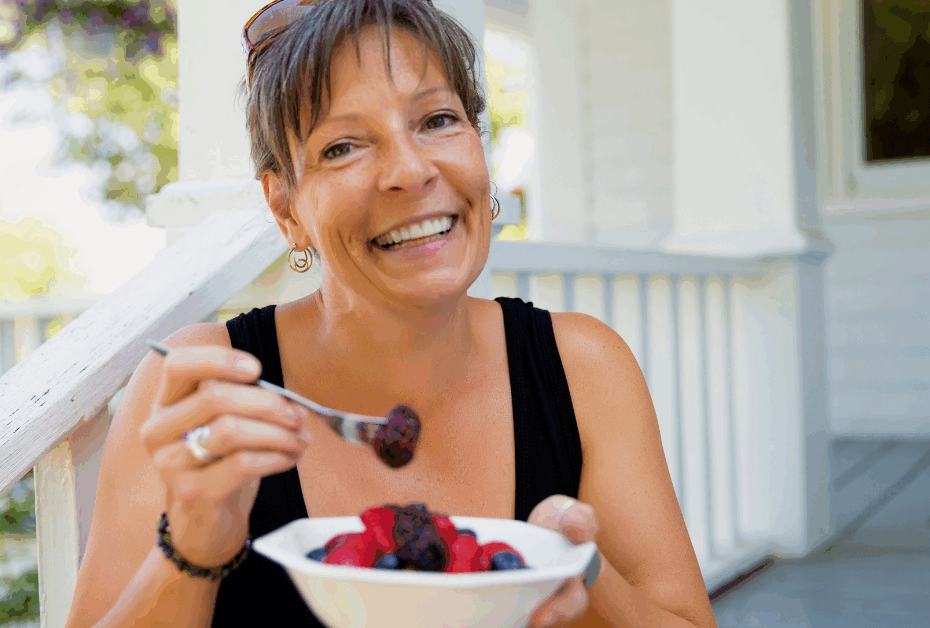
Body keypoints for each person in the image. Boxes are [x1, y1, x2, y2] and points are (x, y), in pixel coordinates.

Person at [64, 1, 717, 626]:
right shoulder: (203, 391)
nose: (410, 170)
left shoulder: (581, 367)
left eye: (437, 121)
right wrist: (196, 546)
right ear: (286, 210)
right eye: (344, 146)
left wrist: (578, 575)